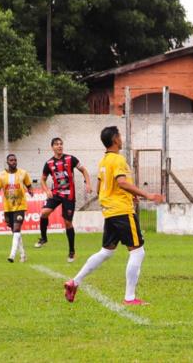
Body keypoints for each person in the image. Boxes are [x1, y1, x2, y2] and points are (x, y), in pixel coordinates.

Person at [63, 126, 164, 305]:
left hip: (110, 211)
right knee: (138, 251)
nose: (122, 138)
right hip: (122, 211)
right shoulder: (118, 159)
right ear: (115, 139)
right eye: (120, 135)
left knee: (106, 252)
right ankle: (130, 298)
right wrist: (146, 194)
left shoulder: (104, 161)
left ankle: (74, 282)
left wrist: (127, 195)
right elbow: (122, 182)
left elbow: (102, 185)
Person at [36, 137, 93, 262]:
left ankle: (72, 252)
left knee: (67, 223)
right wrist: (47, 190)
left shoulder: (70, 159)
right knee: (44, 212)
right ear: (52, 147)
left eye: (61, 144)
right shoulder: (49, 163)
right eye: (57, 144)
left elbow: (84, 170)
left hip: (69, 195)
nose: (59, 146)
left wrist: (88, 183)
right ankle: (43, 238)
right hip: (55, 193)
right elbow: (43, 179)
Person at [0, 154, 34, 263]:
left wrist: (30, 190)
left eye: (15, 160)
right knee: (15, 232)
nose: (14, 162)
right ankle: (23, 254)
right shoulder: (1, 175)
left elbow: (29, 184)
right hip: (8, 207)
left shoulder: (23, 173)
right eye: (11, 160)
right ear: (7, 162)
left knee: (16, 229)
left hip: (20, 205)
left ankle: (12, 255)